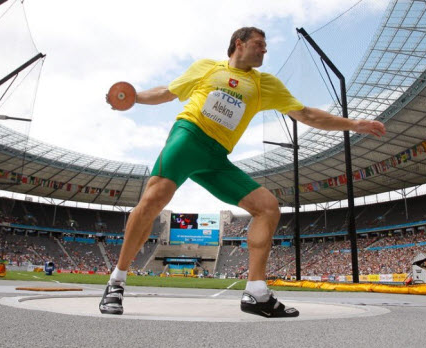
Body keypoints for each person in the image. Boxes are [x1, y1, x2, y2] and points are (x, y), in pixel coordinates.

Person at [99, 27, 386, 318]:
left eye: (265, 47)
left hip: (216, 158)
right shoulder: (207, 68)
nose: (264, 50)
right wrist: (134, 98)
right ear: (239, 44)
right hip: (188, 137)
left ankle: (256, 293)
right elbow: (166, 92)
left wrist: (355, 125)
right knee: (154, 199)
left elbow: (307, 114)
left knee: (267, 207)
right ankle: (116, 282)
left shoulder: (265, 85)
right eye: (259, 45)